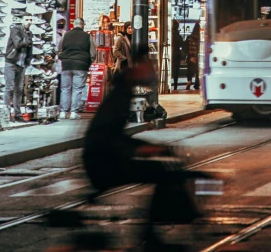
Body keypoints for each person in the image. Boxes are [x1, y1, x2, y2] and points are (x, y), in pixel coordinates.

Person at [83, 52, 201, 250]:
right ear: (137, 67)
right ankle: (151, 234)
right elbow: (109, 137)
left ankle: (152, 232)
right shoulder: (120, 95)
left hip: (104, 158)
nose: (151, 72)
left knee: (162, 170)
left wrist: (147, 148)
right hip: (103, 163)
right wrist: (144, 149)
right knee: (162, 173)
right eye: (148, 67)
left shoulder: (123, 91)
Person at [58, 18, 96, 119]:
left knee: (65, 89)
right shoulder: (88, 36)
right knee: (77, 89)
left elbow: (59, 49)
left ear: (73, 25)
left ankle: (63, 112)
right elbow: (93, 53)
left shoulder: (66, 35)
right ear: (83, 25)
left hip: (66, 65)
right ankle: (74, 112)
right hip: (81, 65)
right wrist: (87, 62)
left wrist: (63, 58)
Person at [4, 14, 33, 122]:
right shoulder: (15, 29)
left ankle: (17, 113)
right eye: (27, 20)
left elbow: (29, 48)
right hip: (12, 62)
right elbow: (18, 44)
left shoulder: (29, 33)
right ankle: (6, 113)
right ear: (22, 20)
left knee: (19, 89)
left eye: (30, 20)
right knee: (9, 88)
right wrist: (28, 41)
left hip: (21, 63)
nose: (29, 22)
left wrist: (28, 60)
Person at [185, 23, 200, 91]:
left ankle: (189, 80)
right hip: (197, 56)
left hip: (190, 56)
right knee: (197, 71)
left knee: (190, 70)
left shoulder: (189, 37)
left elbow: (184, 47)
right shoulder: (200, 38)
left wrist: (188, 53)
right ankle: (197, 84)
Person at [171, 20, 183, 91]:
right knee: (176, 71)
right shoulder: (179, 36)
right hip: (177, 54)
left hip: (172, 53)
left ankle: (170, 84)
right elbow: (181, 45)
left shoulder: (169, 35)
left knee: (171, 69)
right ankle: (175, 85)